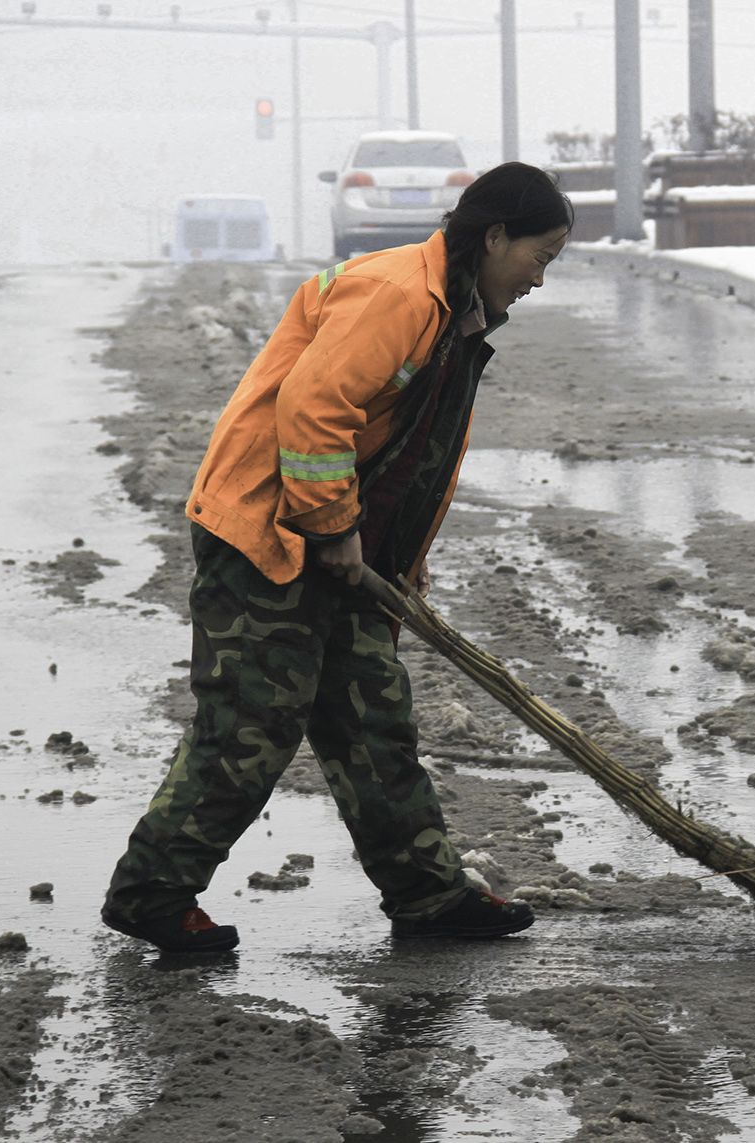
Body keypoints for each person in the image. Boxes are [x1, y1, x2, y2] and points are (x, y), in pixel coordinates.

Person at [102, 162, 573, 954]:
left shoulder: (452, 310)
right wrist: (329, 528)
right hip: (269, 530)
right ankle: (152, 893)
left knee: (371, 721)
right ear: (495, 237)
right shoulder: (399, 294)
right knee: (253, 721)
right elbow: (314, 407)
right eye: (541, 257)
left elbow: (407, 450)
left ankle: (428, 896)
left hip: (344, 539)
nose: (538, 278)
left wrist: (397, 562)